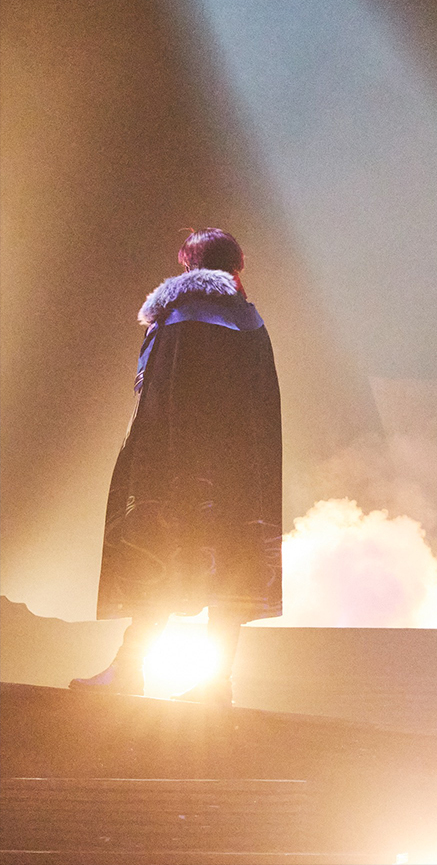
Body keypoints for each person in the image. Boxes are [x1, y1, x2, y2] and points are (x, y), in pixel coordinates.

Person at [71, 228, 282, 703]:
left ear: (189, 265)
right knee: (231, 572)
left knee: (157, 562)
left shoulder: (181, 318)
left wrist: (145, 472)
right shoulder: (251, 322)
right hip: (240, 478)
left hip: (178, 470)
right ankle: (217, 686)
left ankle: (128, 671)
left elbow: (159, 402)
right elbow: (263, 412)